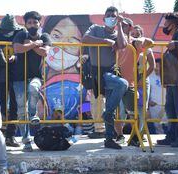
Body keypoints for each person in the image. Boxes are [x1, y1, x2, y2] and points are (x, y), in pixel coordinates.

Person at [83, 6, 128, 149]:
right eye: (108, 15)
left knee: (111, 104)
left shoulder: (117, 33)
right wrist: (105, 41)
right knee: (119, 87)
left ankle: (109, 138)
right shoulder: (95, 28)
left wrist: (120, 25)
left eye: (113, 16)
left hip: (110, 72)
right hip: (96, 72)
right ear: (103, 18)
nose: (111, 18)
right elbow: (85, 39)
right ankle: (104, 119)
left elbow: (123, 45)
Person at [12, 11, 51, 152]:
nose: (33, 25)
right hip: (18, 78)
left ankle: (33, 114)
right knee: (22, 110)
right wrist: (36, 44)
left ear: (39, 23)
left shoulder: (45, 36)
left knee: (34, 89)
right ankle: (26, 140)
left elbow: (45, 52)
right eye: (30, 22)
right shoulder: (22, 34)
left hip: (36, 76)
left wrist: (30, 45)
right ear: (25, 24)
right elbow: (17, 48)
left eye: (35, 22)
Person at [41, 15, 90, 121]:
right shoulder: (42, 75)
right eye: (56, 36)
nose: (60, 46)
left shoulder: (75, 86)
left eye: (71, 43)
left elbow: (86, 105)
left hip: (68, 127)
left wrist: (83, 115)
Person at [157, 13, 178, 147]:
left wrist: (177, 43)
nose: (164, 26)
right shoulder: (173, 38)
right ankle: (171, 136)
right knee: (171, 109)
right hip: (172, 81)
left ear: (172, 25)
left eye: (165, 23)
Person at [0, 14, 24, 147]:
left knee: (15, 105)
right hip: (1, 75)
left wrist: (15, 56)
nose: (6, 33)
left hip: (16, 75)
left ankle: (11, 135)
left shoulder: (20, 33)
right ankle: (1, 135)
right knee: (0, 105)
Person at [148, 58, 166, 134]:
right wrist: (148, 101)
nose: (156, 68)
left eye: (158, 66)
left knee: (167, 125)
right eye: (155, 66)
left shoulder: (168, 76)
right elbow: (147, 91)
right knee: (156, 126)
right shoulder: (150, 77)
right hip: (154, 105)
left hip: (166, 105)